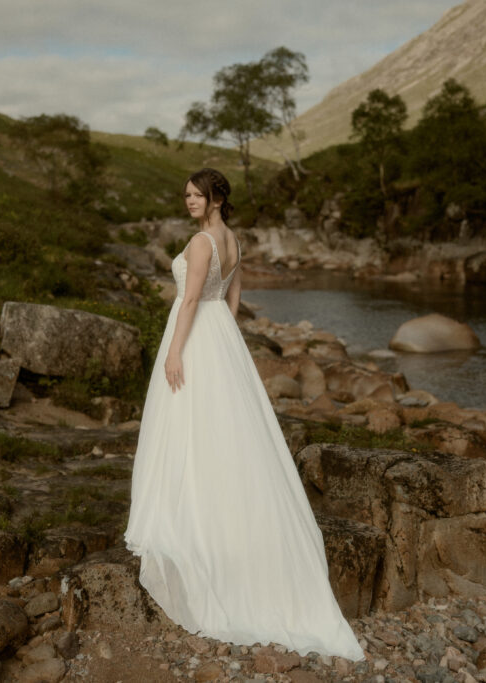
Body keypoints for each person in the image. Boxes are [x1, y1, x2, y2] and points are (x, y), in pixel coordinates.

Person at [124, 168, 365, 661]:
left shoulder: (199, 244)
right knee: (229, 437)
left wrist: (176, 351)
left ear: (214, 197)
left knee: (190, 431)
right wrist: (221, 345)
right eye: (186, 195)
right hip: (220, 339)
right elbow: (232, 301)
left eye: (195, 195)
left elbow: (189, 299)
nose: (189, 201)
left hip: (194, 337)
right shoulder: (233, 240)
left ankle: (194, 527)